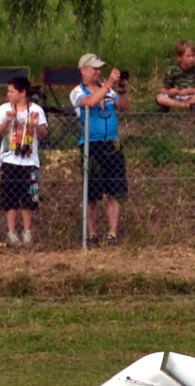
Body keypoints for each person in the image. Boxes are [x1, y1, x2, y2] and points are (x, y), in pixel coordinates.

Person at [71, 53, 128, 245]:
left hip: (112, 144)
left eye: (99, 68)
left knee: (114, 191)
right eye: (94, 68)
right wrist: (109, 84)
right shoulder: (77, 92)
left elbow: (124, 107)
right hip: (92, 146)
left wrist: (122, 90)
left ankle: (112, 232)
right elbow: (90, 102)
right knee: (91, 193)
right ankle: (92, 234)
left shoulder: (108, 91)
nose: (98, 72)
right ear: (83, 70)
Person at [0, 77, 47, 247]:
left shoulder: (36, 110)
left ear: (22, 92)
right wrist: (7, 121)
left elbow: (44, 134)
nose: (8, 94)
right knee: (10, 198)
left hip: (30, 161)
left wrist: (36, 125)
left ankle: (27, 232)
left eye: (11, 91)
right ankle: (11, 233)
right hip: (10, 160)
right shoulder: (3, 109)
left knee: (28, 199)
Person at [156, 39, 195, 113]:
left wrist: (189, 91)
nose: (192, 59)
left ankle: (185, 105)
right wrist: (170, 92)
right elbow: (163, 89)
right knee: (160, 98)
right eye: (188, 56)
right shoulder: (172, 70)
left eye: (193, 56)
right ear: (179, 57)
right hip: (176, 97)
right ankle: (182, 105)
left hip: (191, 96)